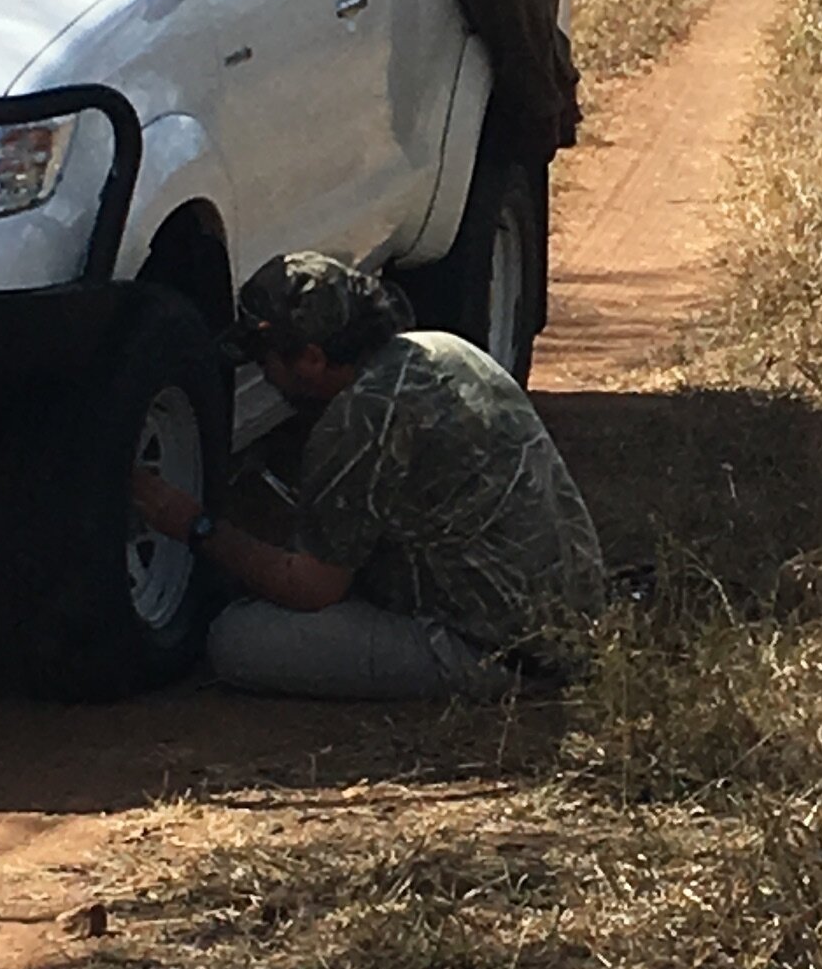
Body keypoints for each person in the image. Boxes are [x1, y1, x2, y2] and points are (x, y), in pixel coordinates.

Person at [129, 251, 607, 700]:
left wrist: (195, 524)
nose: (265, 375)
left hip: (499, 652)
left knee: (235, 639)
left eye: (265, 359)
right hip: (568, 615)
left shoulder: (360, 419)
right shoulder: (439, 349)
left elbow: (311, 589)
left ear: (311, 359)